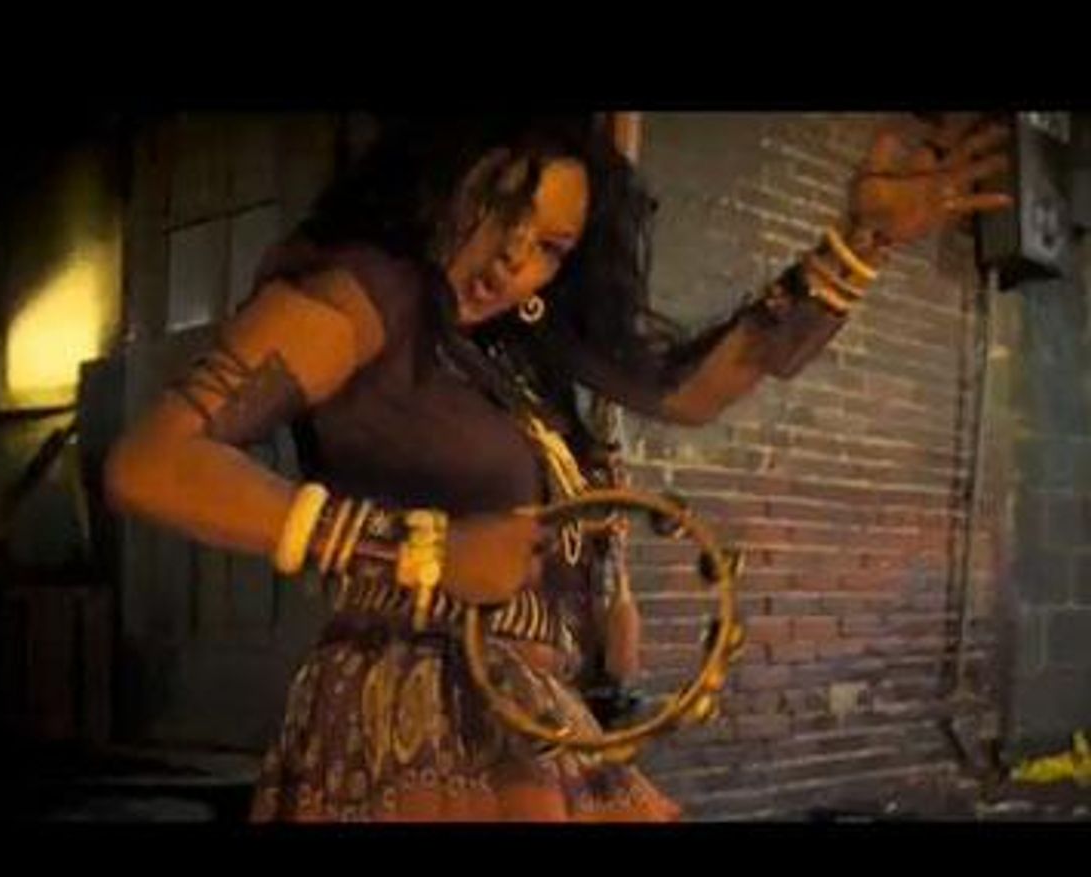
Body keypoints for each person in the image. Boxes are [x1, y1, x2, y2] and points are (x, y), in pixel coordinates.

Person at [105, 113, 1010, 821]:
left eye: (550, 247)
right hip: (408, 712)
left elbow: (693, 391)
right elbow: (152, 463)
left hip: (530, 714)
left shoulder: (513, 350)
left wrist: (860, 242)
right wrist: (418, 549)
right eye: (499, 211)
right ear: (439, 181)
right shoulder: (364, 291)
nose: (512, 261)